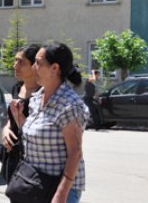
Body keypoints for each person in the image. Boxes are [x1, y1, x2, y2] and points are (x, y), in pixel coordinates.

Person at [10, 43, 89, 203]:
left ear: (54, 69)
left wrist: (61, 195)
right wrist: (18, 117)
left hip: (58, 189)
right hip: (35, 184)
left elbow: (75, 153)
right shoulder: (38, 97)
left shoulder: (69, 105)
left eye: (38, 63)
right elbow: (36, 135)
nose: (33, 68)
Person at [0, 44, 41, 182]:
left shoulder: (43, 94)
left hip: (31, 158)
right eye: (15, 60)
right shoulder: (16, 88)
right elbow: (9, 118)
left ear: (35, 66)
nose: (15, 65)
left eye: (21, 62)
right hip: (12, 153)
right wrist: (5, 130)